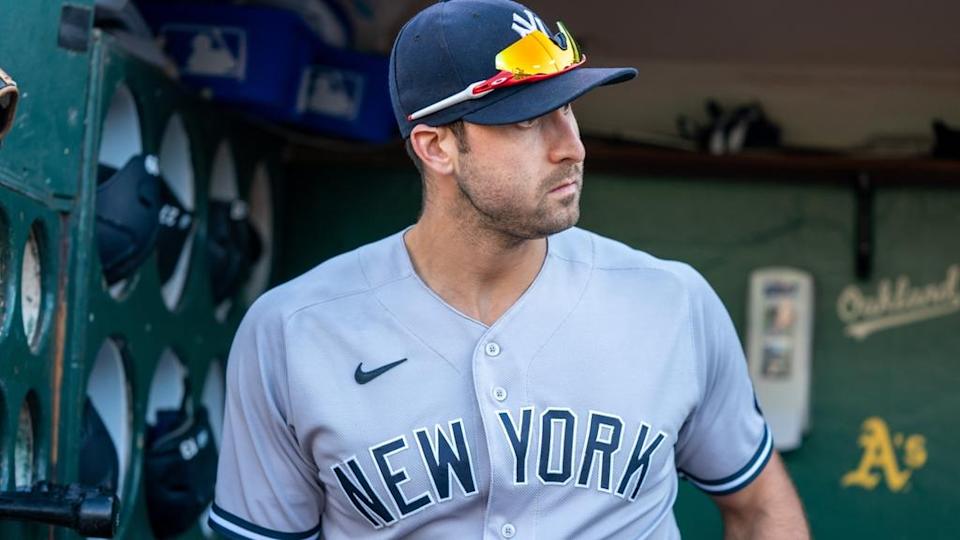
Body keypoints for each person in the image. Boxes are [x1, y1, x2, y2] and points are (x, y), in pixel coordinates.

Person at [208, 0, 810, 538]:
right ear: (436, 147)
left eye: (568, 108)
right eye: (526, 120)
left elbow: (760, 507)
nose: (570, 146)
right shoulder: (292, 331)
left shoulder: (673, 302)